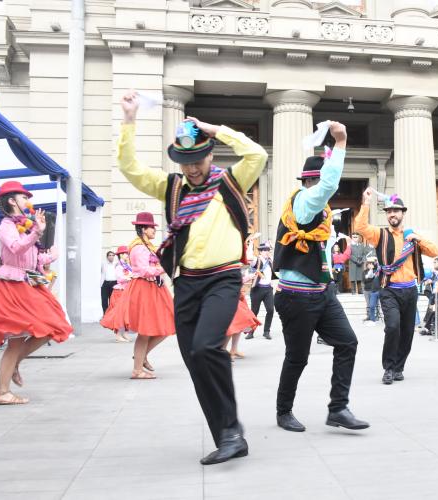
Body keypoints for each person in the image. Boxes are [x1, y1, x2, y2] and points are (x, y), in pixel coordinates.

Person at [118, 91, 264, 465]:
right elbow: (131, 169)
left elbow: (257, 155)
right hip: (186, 283)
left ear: (210, 155)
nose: (192, 168)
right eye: (185, 161)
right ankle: (228, 437)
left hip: (224, 278)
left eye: (197, 159)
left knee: (205, 347)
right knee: (195, 360)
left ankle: (231, 429)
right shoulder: (173, 187)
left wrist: (216, 128)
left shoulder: (231, 181)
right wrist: (130, 122)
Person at [273, 121, 369, 433]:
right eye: (323, 182)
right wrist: (340, 141)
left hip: (321, 292)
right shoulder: (303, 201)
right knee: (297, 358)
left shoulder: (323, 215)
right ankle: (283, 410)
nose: (329, 192)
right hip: (296, 296)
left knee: (348, 343)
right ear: (311, 181)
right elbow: (327, 186)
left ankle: (338, 408)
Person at [0, 181, 73, 404]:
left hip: (28, 284)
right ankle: (2, 392)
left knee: (53, 326)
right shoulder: (6, 225)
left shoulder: (27, 224)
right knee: (17, 340)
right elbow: (15, 248)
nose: (28, 201)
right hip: (11, 286)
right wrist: (37, 232)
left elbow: (33, 259)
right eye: (24, 197)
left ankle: (14, 365)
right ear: (12, 200)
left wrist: (51, 255)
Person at [355, 188, 438, 385]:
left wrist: (417, 239)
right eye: (389, 211)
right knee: (392, 327)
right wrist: (366, 203)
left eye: (396, 211)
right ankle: (389, 368)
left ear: (403, 213)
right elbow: (360, 226)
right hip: (389, 289)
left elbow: (435, 251)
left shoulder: (412, 236)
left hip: (410, 291)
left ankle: (399, 367)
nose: (392, 214)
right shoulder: (379, 234)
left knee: (407, 332)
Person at [102, 212, 175, 379]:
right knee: (146, 330)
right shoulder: (139, 247)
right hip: (144, 288)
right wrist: (164, 268)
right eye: (151, 227)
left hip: (153, 288)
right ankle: (137, 369)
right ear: (143, 229)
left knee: (166, 324)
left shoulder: (147, 245)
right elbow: (143, 270)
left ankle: (140, 357)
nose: (154, 230)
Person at [101, 246, 132, 343]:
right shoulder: (119, 266)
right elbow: (120, 278)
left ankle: (124, 333)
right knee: (119, 313)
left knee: (126, 313)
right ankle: (118, 335)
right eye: (126, 254)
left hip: (126, 290)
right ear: (121, 255)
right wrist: (130, 277)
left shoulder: (126, 265)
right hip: (120, 291)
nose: (127, 255)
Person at [248, 242, 274, 340]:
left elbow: (276, 268)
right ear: (261, 252)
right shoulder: (257, 260)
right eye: (265, 250)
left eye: (268, 250)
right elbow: (249, 257)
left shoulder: (270, 260)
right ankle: (251, 332)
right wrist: (251, 243)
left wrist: (272, 258)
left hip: (268, 289)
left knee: (270, 310)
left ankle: (266, 331)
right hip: (257, 289)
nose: (267, 252)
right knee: (254, 311)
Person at [363, 257, 380, 326]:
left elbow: (378, 264)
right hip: (373, 291)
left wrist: (375, 259)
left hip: (381, 290)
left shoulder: (379, 269)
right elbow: (368, 276)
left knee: (386, 306)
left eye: (371, 263)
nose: (370, 265)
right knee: (372, 306)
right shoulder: (372, 271)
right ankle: (373, 320)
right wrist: (371, 269)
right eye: (369, 264)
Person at [100, 250, 118, 314]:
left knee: (112, 300)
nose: (111, 257)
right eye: (109, 255)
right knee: (104, 300)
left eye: (113, 255)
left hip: (114, 283)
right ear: (107, 257)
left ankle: (111, 316)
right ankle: (105, 314)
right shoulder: (103, 264)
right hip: (105, 283)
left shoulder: (116, 264)